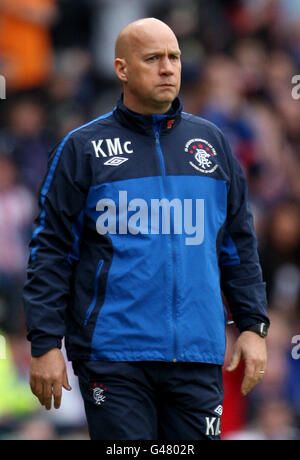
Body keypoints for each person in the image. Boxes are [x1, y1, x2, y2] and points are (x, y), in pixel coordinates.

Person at [23, 18, 270, 440]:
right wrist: (46, 344)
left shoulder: (212, 143)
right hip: (114, 357)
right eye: (153, 58)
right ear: (121, 69)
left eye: (173, 57)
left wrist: (252, 326)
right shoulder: (83, 148)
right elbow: (51, 252)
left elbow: (237, 245)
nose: (168, 68)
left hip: (196, 355)